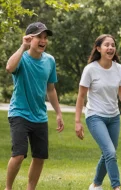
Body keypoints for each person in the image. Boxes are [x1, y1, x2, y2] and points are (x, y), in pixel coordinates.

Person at [5, 22, 65, 190]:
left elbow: (51, 89)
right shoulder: (21, 58)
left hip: (40, 116)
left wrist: (58, 113)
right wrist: (22, 47)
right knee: (18, 155)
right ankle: (8, 188)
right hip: (19, 113)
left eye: (45, 38)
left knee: (39, 157)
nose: (43, 41)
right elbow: (9, 67)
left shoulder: (50, 61)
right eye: (39, 37)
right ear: (29, 38)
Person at [75, 34, 121, 190]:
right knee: (110, 152)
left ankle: (96, 185)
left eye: (113, 45)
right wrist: (77, 122)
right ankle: (117, 187)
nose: (110, 48)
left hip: (113, 117)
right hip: (95, 116)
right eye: (106, 45)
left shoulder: (119, 69)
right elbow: (81, 96)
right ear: (98, 48)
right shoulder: (90, 69)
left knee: (109, 153)